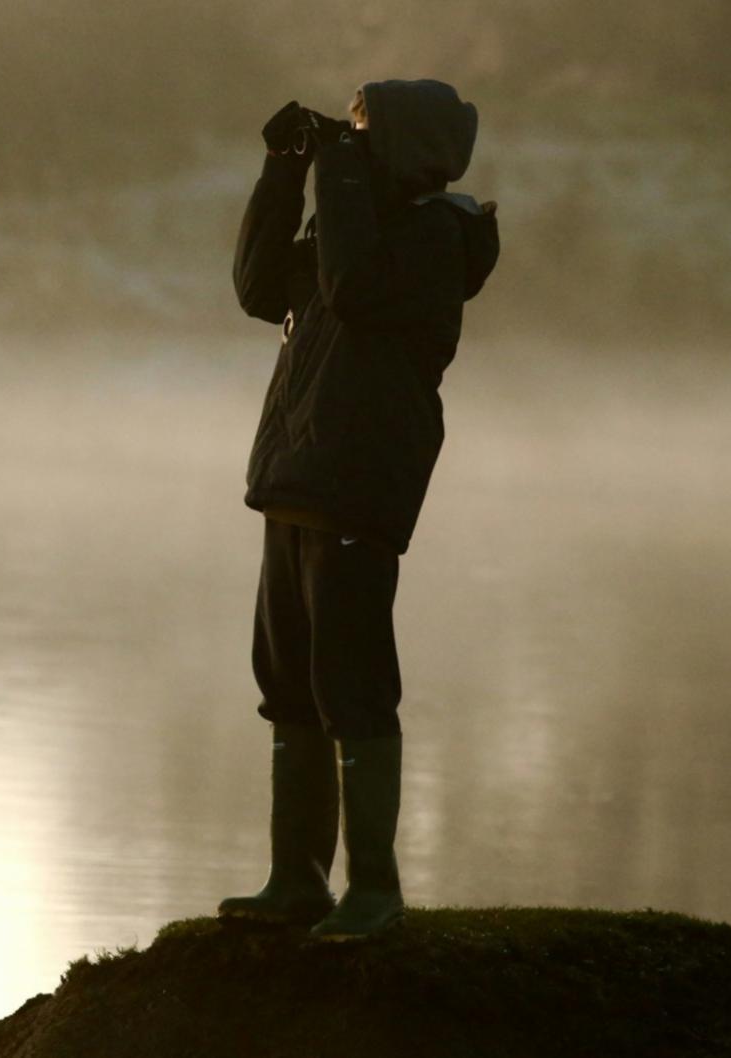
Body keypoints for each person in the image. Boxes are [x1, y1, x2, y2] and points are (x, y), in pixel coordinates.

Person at [217, 79, 500, 940]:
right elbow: (263, 287)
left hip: (358, 483)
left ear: (405, 146)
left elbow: (348, 289)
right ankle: (296, 881)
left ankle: (374, 890)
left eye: (362, 126)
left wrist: (336, 176)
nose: (348, 135)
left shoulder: (432, 238)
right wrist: (281, 171)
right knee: (291, 681)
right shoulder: (357, 221)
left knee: (352, 683)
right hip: (299, 478)